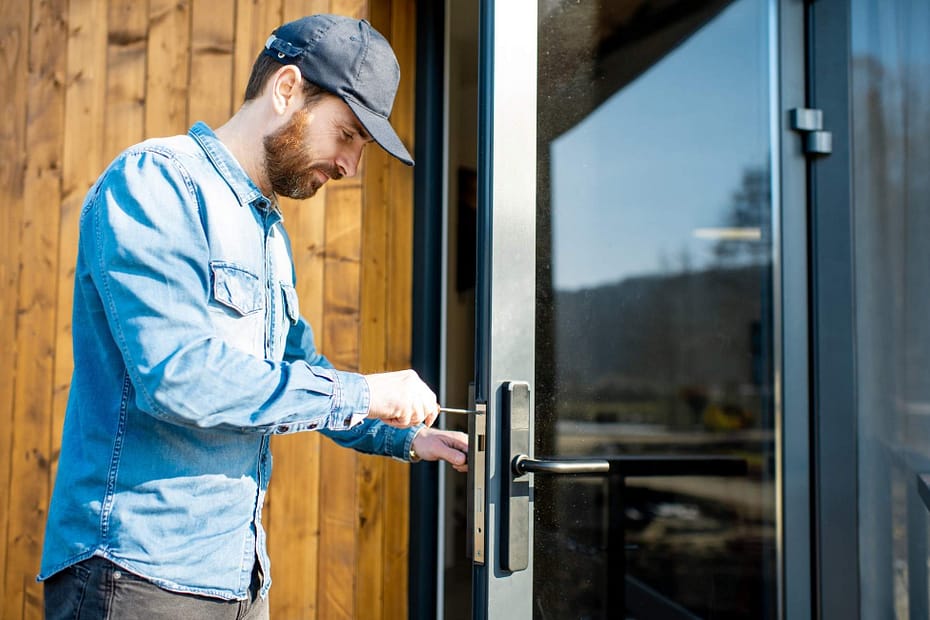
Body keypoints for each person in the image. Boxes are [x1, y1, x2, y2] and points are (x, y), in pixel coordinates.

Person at [39, 14, 468, 619]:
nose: (351, 166)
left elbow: (297, 374)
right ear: (287, 89)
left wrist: (406, 436)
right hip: (135, 579)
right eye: (346, 134)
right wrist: (364, 391)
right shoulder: (156, 182)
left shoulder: (267, 232)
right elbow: (180, 376)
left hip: (238, 580)